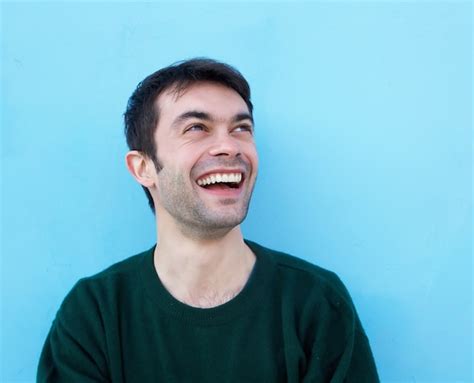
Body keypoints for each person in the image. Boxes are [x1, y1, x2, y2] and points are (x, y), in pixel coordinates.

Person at [37, 58, 379, 382]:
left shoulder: (317, 303)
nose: (229, 146)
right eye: (197, 127)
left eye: (241, 128)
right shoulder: (93, 314)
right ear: (143, 168)